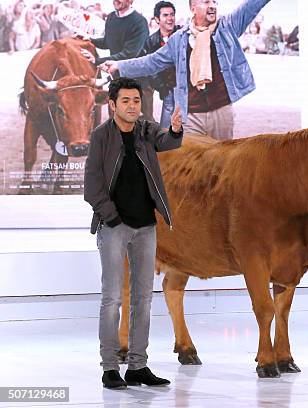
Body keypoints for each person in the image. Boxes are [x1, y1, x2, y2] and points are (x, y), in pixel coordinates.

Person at [84, 77, 183, 389]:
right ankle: (110, 367)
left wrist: (176, 130)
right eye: (125, 101)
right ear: (113, 104)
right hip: (114, 227)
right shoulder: (101, 136)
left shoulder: (145, 128)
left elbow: (167, 142)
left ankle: (138, 366)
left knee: (143, 298)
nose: (132, 106)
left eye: (136, 101)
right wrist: (111, 218)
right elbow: (92, 187)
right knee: (112, 298)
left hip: (145, 227)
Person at [101, 0, 272, 141]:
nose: (212, 5)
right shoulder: (179, 39)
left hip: (222, 111)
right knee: (192, 168)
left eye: (214, 2)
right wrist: (120, 65)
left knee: (220, 168)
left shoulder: (227, 27)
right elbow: (152, 62)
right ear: (193, 8)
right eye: (206, 2)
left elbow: (251, 6)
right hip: (191, 115)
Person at [142, 0, 181, 129]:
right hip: (168, 91)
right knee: (165, 129)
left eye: (172, 14)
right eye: (165, 15)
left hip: (188, 91)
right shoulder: (151, 42)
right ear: (157, 19)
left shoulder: (183, 35)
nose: (170, 18)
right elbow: (150, 69)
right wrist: (162, 87)